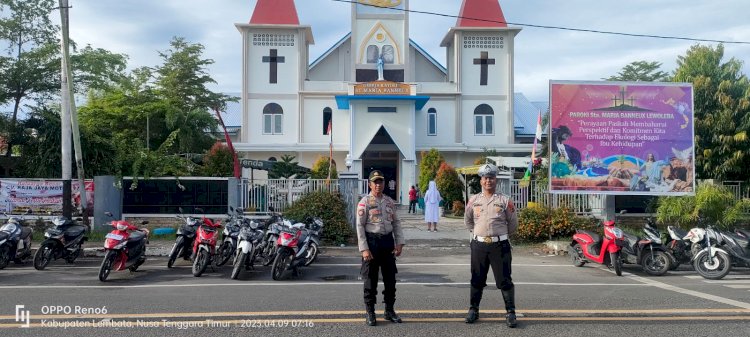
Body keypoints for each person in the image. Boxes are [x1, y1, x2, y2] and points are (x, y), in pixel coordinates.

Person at [463, 163, 519, 328]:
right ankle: (473, 310)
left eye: (491, 178)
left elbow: (513, 224)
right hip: (479, 245)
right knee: (477, 279)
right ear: (481, 180)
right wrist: (479, 233)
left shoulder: (505, 200)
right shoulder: (473, 200)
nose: (488, 181)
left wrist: (499, 235)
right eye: (485, 178)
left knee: (504, 280)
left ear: (496, 180)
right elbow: (468, 221)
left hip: (499, 246)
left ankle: (510, 312)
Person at [356, 170, 405, 326]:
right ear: (370, 184)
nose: (378, 185)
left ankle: (389, 310)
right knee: (370, 280)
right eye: (375, 182)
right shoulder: (364, 202)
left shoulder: (389, 202)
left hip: (387, 243)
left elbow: (396, 223)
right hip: (372, 243)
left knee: (390, 279)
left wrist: (399, 242)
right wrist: (364, 249)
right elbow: (359, 226)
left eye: (380, 182)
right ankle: (370, 312)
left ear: (384, 184)